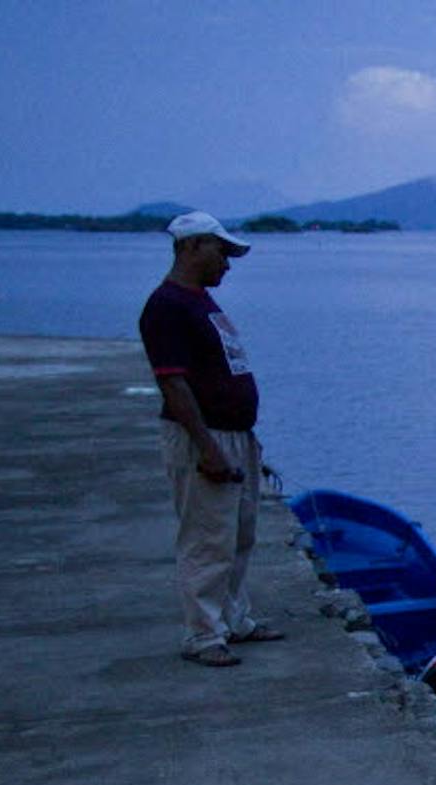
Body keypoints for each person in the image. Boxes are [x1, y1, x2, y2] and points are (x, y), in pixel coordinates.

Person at [138, 211, 282, 667]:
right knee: (207, 537)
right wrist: (208, 448)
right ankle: (202, 635)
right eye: (221, 251)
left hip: (235, 434)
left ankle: (233, 619)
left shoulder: (201, 302)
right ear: (191, 246)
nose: (227, 263)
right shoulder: (167, 306)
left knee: (239, 533)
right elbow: (174, 384)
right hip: (205, 437)